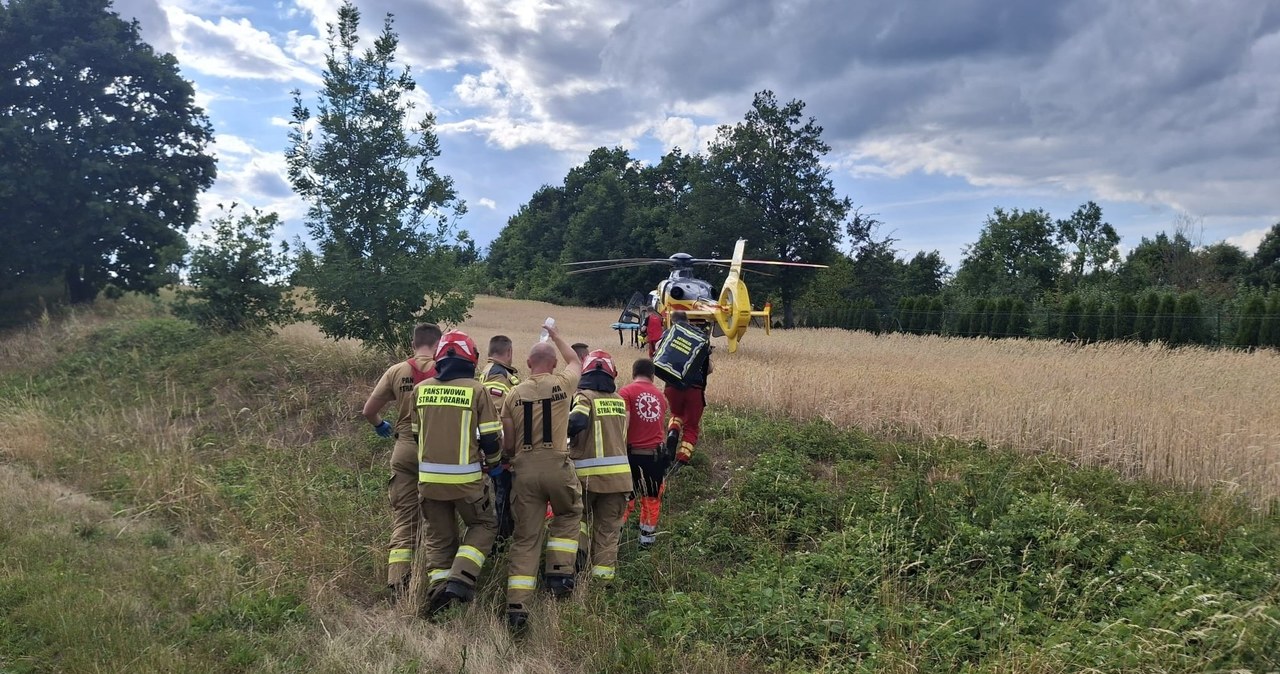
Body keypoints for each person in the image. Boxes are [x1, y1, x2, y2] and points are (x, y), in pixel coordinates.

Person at [411, 330, 502, 618]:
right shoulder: (477, 390)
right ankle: (460, 580)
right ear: (471, 359)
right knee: (484, 524)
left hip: (429, 481)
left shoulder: (420, 389)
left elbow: (416, 436)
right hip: (466, 481)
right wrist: (495, 463)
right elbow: (489, 438)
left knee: (439, 537)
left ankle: (439, 594)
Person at [499, 323, 583, 632]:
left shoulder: (513, 393)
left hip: (524, 470)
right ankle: (559, 573)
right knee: (569, 512)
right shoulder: (563, 383)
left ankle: (517, 607)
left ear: (528, 363)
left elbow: (507, 444)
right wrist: (557, 333)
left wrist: (511, 458)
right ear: (553, 364)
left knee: (526, 537)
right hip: (558, 465)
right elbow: (577, 361)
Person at [361, 322, 442, 599]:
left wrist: (380, 425)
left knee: (405, 518)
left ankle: (398, 583)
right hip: (438, 453)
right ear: (438, 344)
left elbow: (369, 410)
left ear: (413, 343)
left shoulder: (397, 371)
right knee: (439, 519)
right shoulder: (446, 370)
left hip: (405, 448)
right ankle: (438, 584)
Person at [567, 350, 631, 581]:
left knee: (578, 521)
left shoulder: (584, 397)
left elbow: (577, 421)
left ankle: (578, 561)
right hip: (618, 479)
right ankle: (602, 584)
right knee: (607, 531)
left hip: (586, 477)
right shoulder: (618, 401)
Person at [619, 358, 670, 548]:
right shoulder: (660, 396)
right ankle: (646, 545)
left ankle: (612, 544)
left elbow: (624, 424)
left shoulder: (625, 392)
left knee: (624, 501)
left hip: (630, 456)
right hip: (655, 458)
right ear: (652, 375)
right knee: (651, 501)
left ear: (634, 374)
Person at [655, 311, 712, 466]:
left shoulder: (668, 334)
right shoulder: (700, 337)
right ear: (688, 320)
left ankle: (673, 433)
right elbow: (709, 369)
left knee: (676, 413)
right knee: (691, 426)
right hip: (695, 387)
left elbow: (657, 356)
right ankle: (681, 460)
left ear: (672, 321)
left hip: (672, 386)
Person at [479, 335, 520, 544]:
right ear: (509, 352)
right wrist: (504, 451)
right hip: (500, 450)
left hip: (490, 448)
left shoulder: (486, 372)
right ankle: (501, 541)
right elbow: (496, 413)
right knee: (503, 498)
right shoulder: (498, 374)